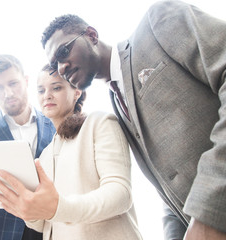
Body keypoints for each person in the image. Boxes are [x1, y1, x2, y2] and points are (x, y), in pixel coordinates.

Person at [39, 0, 226, 239]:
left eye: (63, 52)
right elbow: (167, 183)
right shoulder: (117, 103)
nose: (62, 67)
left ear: (92, 35)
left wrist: (207, 214)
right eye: (55, 64)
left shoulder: (157, 23)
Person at [0, 64, 142, 239]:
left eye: (56, 87)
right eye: (41, 90)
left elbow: (120, 194)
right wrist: (25, 209)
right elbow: (43, 224)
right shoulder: (46, 154)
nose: (47, 95)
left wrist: (59, 207)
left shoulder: (99, 123)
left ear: (77, 91)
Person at [0, 55, 56, 240]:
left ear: (26, 81)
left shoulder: (54, 123)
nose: (7, 93)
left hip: (43, 230)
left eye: (13, 83)